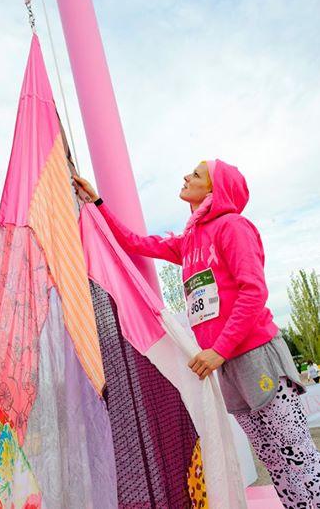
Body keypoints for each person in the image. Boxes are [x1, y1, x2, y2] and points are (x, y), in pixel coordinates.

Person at [74, 160, 320, 508]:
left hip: (257, 355)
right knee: (273, 459)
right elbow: (136, 243)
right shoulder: (189, 241)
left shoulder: (233, 227)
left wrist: (218, 350)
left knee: (296, 455)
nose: (187, 176)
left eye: (197, 174)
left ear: (214, 190)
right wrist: (97, 204)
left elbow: (254, 293)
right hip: (225, 365)